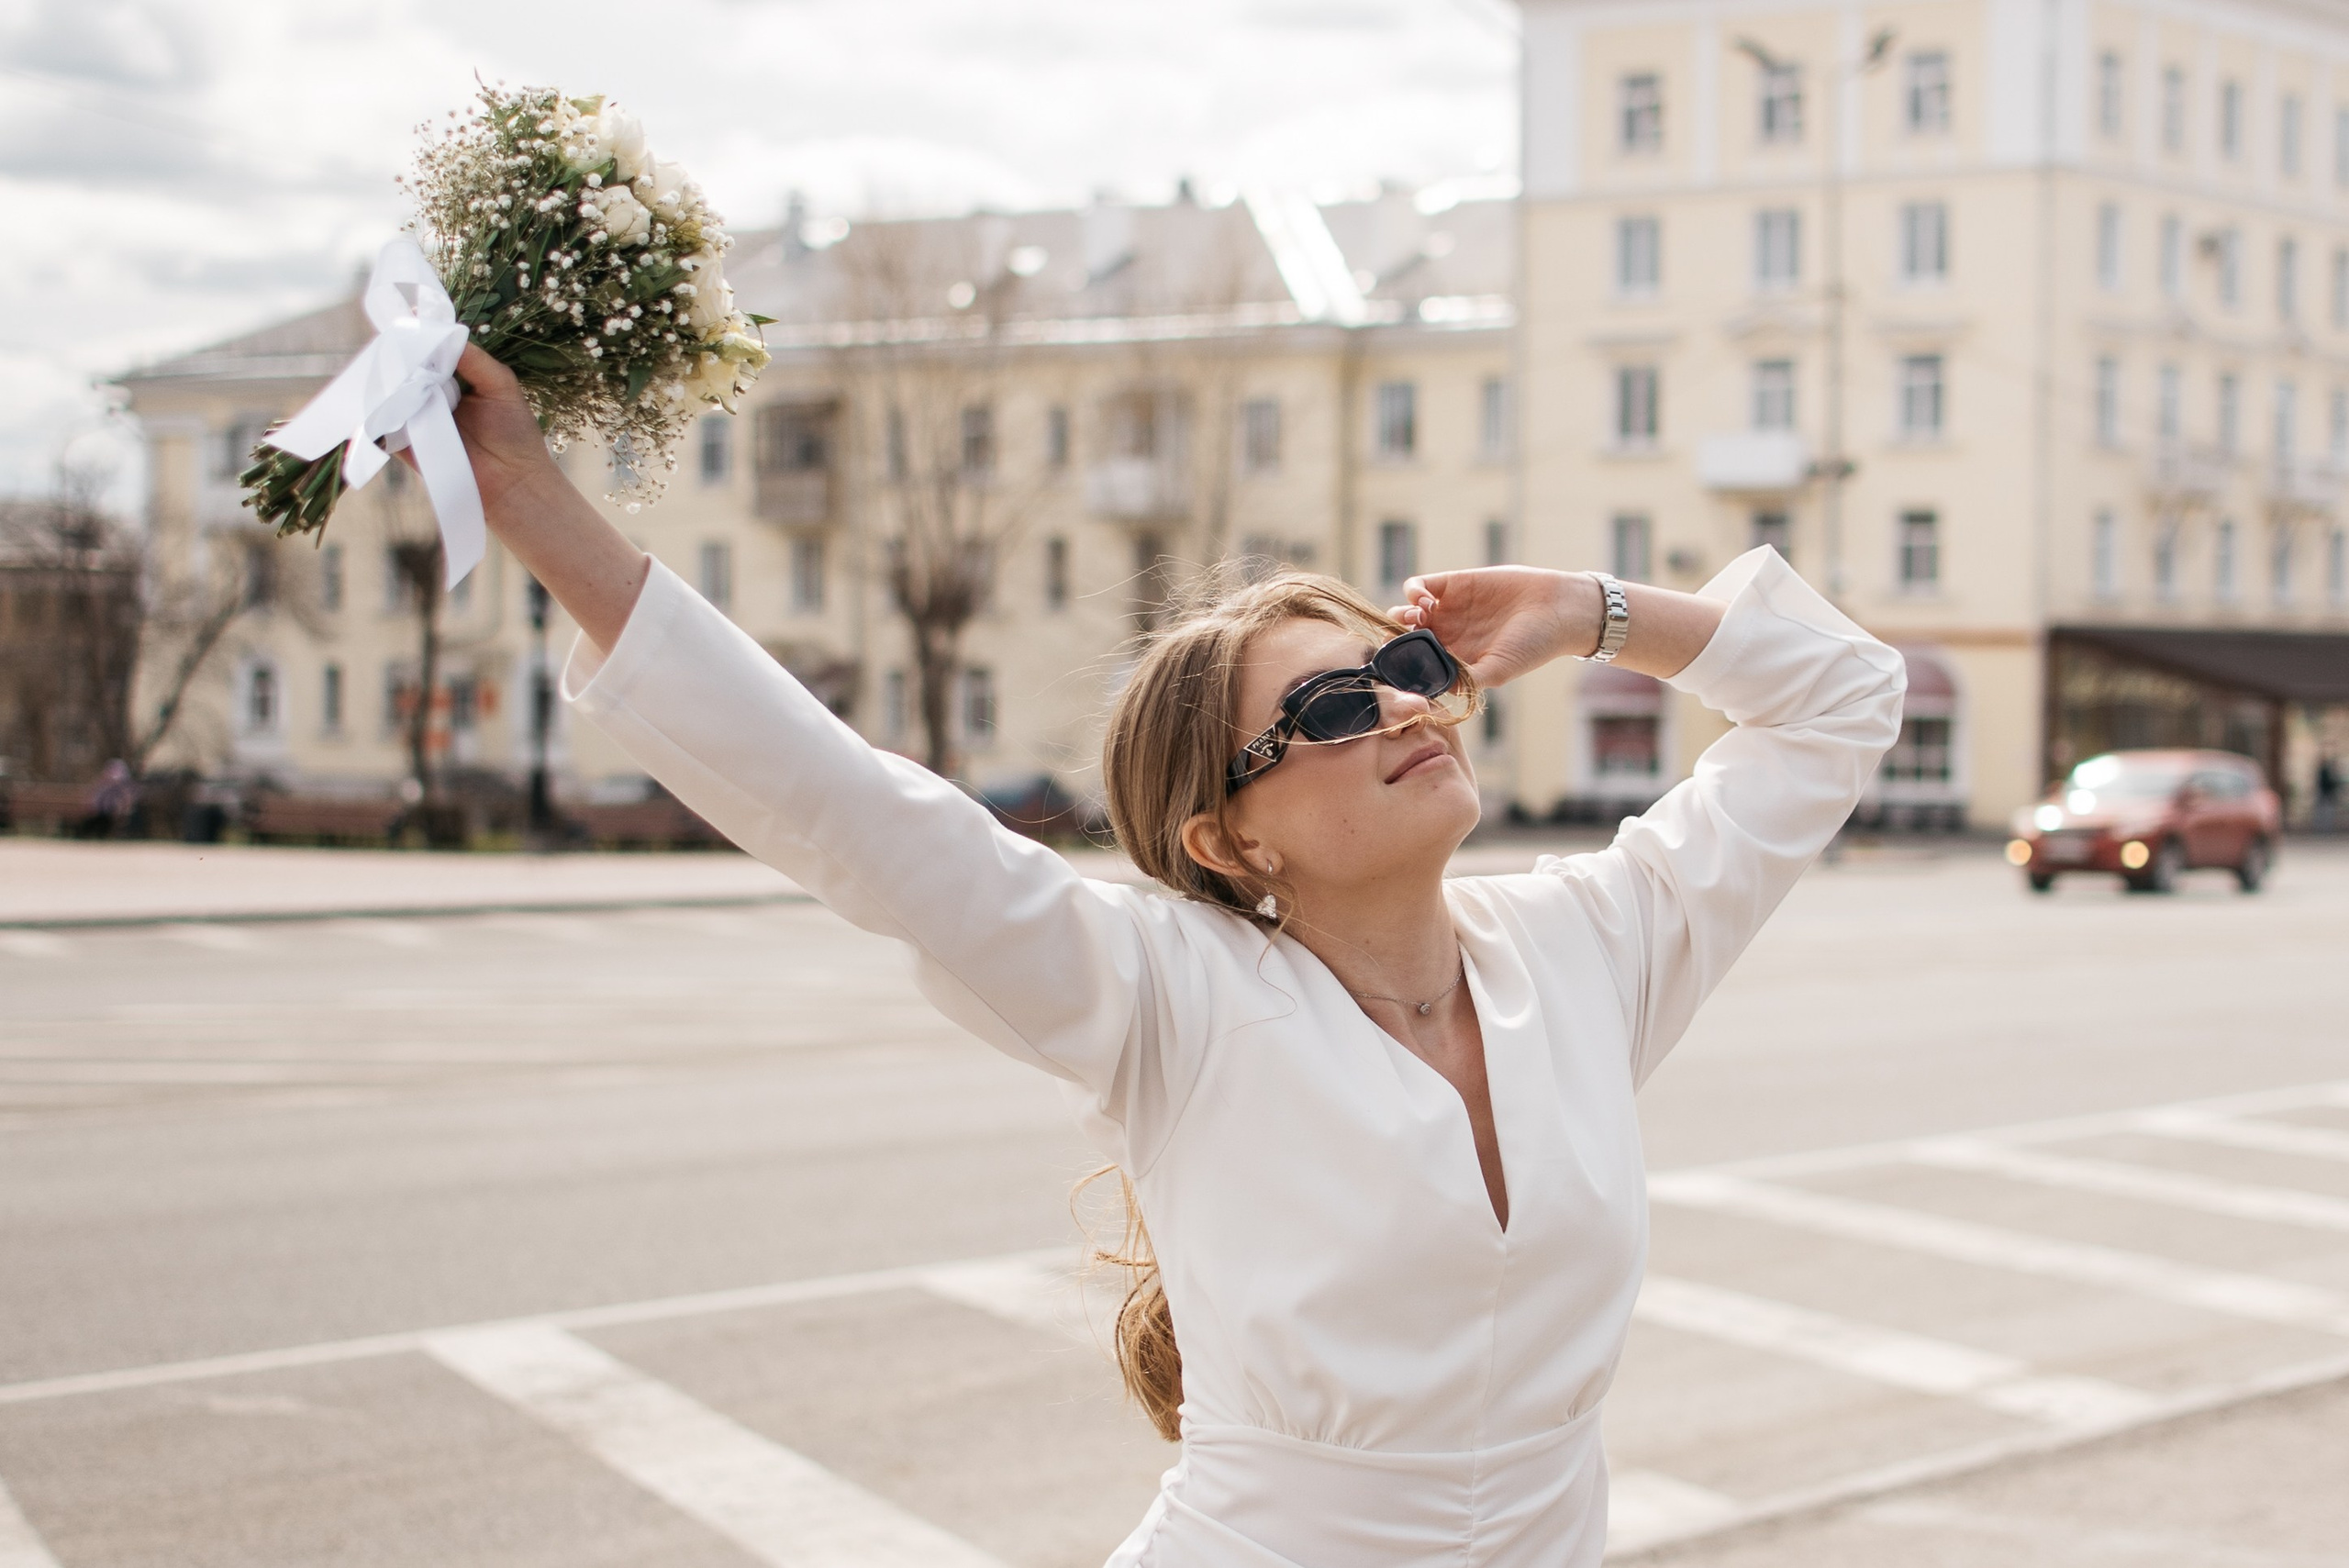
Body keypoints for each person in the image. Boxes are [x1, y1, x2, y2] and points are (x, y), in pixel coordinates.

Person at [437, 344, 1905, 1567]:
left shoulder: (1586, 949)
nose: (1400, 711)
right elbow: (844, 805)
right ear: (1228, 841)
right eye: (1330, 711)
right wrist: (531, 498)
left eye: (1400, 673)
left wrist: (1590, 610)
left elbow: (1843, 702)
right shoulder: (1166, 996)